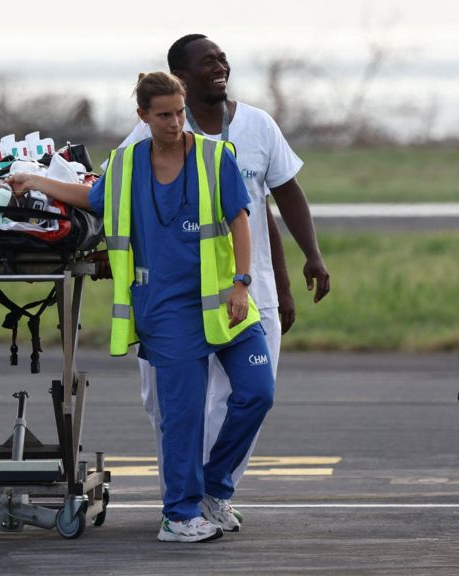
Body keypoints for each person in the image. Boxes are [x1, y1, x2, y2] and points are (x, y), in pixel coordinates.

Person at [9, 71, 274, 543]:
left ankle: (214, 488)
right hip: (166, 308)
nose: (175, 123)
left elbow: (240, 220)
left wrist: (242, 283)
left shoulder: (216, 157)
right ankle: (179, 515)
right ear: (143, 117)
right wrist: (38, 183)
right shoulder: (127, 163)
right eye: (163, 115)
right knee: (183, 416)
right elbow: (92, 198)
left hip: (226, 303)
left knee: (258, 393)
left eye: (179, 112)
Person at [115, 34, 330, 522]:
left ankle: (212, 493)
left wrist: (303, 263)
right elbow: (112, 194)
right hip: (175, 298)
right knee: (169, 406)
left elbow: (276, 202)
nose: (221, 65)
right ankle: (183, 504)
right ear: (181, 77)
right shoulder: (150, 137)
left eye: (222, 58)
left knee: (249, 395)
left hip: (247, 290)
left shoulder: (256, 125)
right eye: (207, 61)